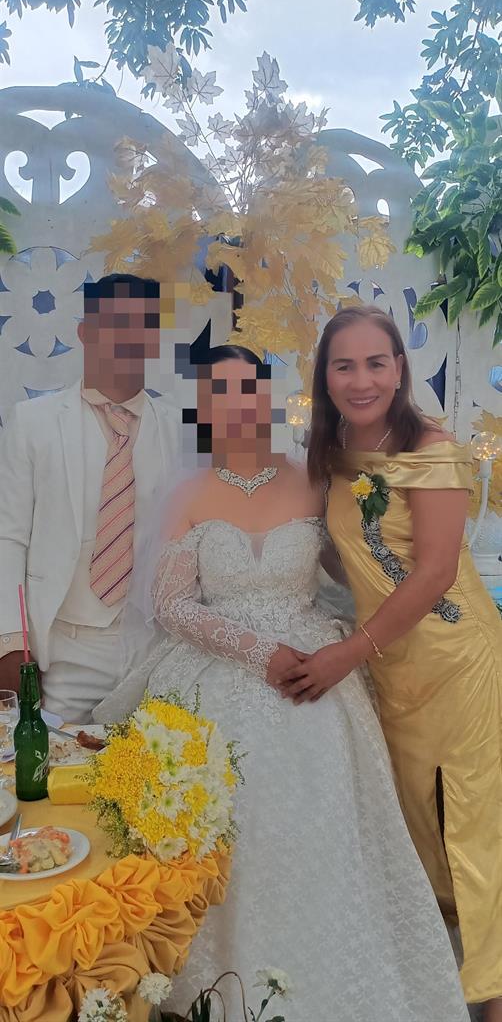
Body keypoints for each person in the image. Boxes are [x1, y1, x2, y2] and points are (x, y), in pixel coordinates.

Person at [100, 330, 469, 1022]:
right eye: (218, 393)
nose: (235, 403)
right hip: (217, 671)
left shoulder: (317, 478)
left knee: (325, 821)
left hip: (317, 668)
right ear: (202, 408)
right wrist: (254, 650)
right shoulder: (189, 493)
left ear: (266, 396)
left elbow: (357, 568)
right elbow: (170, 604)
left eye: (247, 388)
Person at [290, 304, 502, 1021]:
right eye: (344, 365)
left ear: (400, 369)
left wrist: (346, 653)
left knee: (473, 831)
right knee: (420, 831)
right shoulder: (331, 452)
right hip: (392, 669)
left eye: (376, 363)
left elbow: (435, 570)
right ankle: (438, 991)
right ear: (324, 377)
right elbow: (343, 553)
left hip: (458, 665)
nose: (362, 381)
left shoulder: (432, 448)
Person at [0, 273, 179, 722]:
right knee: (52, 761)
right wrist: (10, 642)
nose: (126, 338)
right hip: (63, 646)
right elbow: (9, 537)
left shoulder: (180, 430)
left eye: (140, 326)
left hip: (154, 646)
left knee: (159, 761)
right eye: (113, 323)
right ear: (85, 332)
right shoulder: (33, 422)